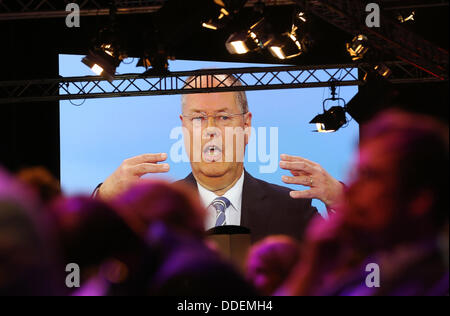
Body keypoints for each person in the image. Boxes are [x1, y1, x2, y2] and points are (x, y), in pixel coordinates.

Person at [95, 74, 344, 242]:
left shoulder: (292, 210)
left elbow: (344, 269)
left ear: (246, 126)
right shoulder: (154, 213)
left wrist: (339, 199)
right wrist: (102, 200)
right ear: (184, 128)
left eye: (224, 117)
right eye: (198, 118)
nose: (210, 129)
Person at [278, 109, 449, 296]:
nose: (350, 189)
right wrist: (312, 267)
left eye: (370, 176)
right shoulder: (366, 273)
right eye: (356, 174)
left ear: (419, 200)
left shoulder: (435, 284)